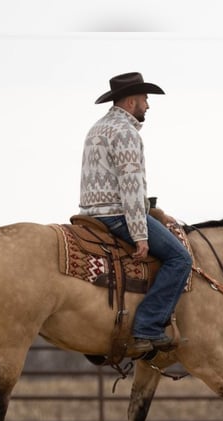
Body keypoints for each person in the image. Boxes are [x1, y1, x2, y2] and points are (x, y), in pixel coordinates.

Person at [79, 72, 192, 355]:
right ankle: (147, 326)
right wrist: (140, 233)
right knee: (180, 259)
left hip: (90, 212)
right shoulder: (126, 133)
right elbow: (129, 185)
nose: (148, 106)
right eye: (145, 99)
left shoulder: (98, 128)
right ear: (131, 102)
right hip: (117, 215)